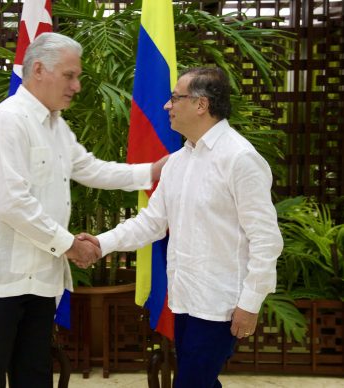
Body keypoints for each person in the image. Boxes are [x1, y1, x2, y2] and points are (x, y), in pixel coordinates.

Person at [0, 32, 167, 388]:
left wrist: (152, 171)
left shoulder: (56, 125)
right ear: (39, 69)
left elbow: (90, 168)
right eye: (70, 75)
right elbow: (13, 203)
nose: (77, 86)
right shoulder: (7, 121)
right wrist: (70, 244)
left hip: (40, 274)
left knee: (34, 373)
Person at [80, 67, 284, 388]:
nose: (167, 105)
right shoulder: (177, 162)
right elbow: (151, 223)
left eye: (175, 98)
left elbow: (266, 240)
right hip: (185, 299)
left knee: (190, 383)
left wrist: (250, 302)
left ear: (201, 105)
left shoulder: (240, 158)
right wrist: (100, 244)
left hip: (221, 305)